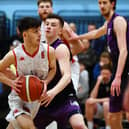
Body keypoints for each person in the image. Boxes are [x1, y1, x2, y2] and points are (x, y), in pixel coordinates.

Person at [70, 0, 129, 129]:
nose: (102, 6)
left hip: (124, 72)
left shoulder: (118, 21)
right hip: (120, 72)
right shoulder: (108, 23)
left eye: (105, 2)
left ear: (112, 4)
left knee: (121, 113)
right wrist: (77, 37)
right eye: (100, 3)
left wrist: (118, 76)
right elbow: (95, 33)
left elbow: (124, 50)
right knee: (113, 115)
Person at [0, 17, 56, 129]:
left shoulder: (49, 51)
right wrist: (11, 82)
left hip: (36, 98)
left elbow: (53, 69)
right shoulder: (14, 54)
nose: (40, 34)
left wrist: (46, 82)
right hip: (18, 97)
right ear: (24, 35)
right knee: (28, 127)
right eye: (35, 31)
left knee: (14, 127)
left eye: (40, 30)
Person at [34, 13, 88, 129]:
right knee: (26, 125)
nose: (48, 27)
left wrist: (53, 92)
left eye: (53, 25)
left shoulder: (61, 48)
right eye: (47, 24)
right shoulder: (39, 48)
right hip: (45, 100)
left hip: (63, 97)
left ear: (59, 31)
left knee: (79, 124)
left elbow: (67, 76)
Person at [86, 64, 112, 129]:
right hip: (99, 108)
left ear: (111, 74)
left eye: (107, 74)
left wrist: (96, 100)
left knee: (106, 104)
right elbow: (92, 97)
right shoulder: (97, 81)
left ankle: (108, 127)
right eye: (103, 73)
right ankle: (90, 127)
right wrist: (98, 83)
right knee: (88, 102)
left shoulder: (113, 82)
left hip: (112, 108)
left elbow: (112, 99)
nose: (105, 76)